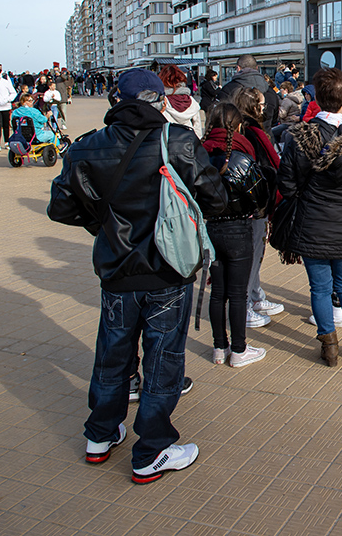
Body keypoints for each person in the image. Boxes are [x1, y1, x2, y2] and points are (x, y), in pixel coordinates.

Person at [48, 69, 228, 484]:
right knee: (163, 358)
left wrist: (103, 225)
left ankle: (100, 434)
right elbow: (215, 199)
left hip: (116, 269)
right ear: (158, 99)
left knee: (113, 353)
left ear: (116, 100)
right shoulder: (178, 141)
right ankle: (152, 451)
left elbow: (60, 208)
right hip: (167, 269)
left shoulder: (87, 146)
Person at [277, 67, 342, 366]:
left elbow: (286, 185)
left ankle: (329, 347)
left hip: (312, 225)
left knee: (320, 288)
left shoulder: (299, 138)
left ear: (317, 100)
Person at [200, 102, 268, 369]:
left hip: (211, 228)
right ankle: (238, 350)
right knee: (238, 294)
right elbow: (260, 199)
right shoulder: (242, 158)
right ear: (238, 126)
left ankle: (220, 347)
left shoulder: (200, 156)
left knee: (218, 292)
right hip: (238, 229)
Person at [229, 85, 285, 327]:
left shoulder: (239, 129)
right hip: (255, 200)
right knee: (252, 252)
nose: (265, 109)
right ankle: (247, 304)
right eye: (262, 105)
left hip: (243, 200)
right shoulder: (253, 131)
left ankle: (255, 295)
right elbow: (271, 161)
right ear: (254, 107)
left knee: (254, 251)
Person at [218, 54, 279, 134]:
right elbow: (274, 117)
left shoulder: (229, 89)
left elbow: (219, 116)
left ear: (238, 68)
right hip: (265, 138)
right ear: (257, 68)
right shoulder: (270, 91)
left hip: (237, 139)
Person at [159, 65, 204, 136]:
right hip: (187, 141)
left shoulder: (162, 102)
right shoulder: (191, 101)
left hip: (167, 141)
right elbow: (197, 129)